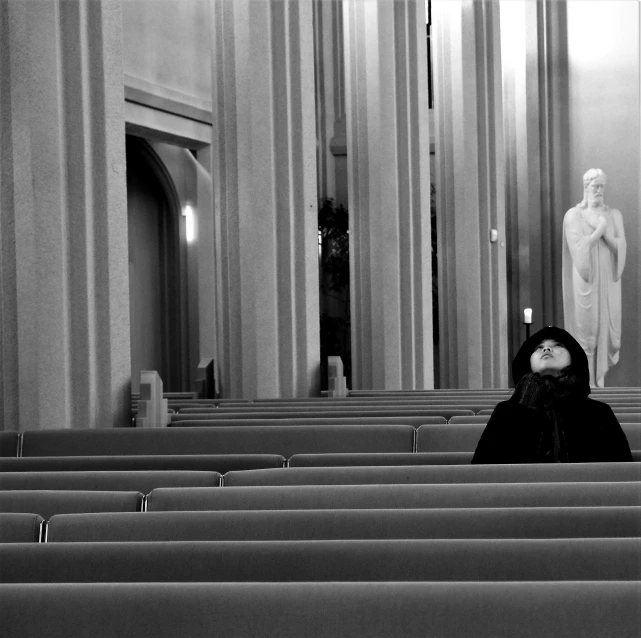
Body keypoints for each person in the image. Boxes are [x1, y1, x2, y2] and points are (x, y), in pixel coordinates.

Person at [472, 326, 632, 464]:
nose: (546, 349)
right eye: (538, 347)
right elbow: (483, 473)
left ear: (573, 358)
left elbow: (621, 473)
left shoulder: (598, 412)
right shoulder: (506, 412)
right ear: (528, 361)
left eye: (558, 345)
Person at [562, 168, 626, 387]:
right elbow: (578, 248)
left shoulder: (614, 215)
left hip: (607, 279)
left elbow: (621, 246)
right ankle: (587, 382)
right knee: (587, 327)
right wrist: (599, 229)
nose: (599, 191)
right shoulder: (574, 215)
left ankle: (599, 381)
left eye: (602, 186)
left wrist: (606, 233)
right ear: (586, 188)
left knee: (607, 330)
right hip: (585, 278)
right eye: (595, 186)